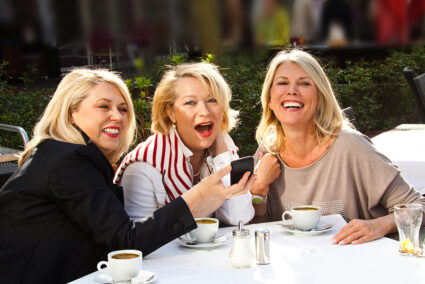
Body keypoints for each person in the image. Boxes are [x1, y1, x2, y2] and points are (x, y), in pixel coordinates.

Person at [0, 68, 255, 283]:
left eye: (123, 109)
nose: (117, 116)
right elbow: (126, 243)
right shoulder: (68, 161)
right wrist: (198, 195)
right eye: (103, 106)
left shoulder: (64, 157)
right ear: (71, 113)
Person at [251, 49, 425, 245]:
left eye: (305, 83)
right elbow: (257, 229)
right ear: (270, 100)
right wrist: (258, 189)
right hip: (299, 270)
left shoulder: (350, 146)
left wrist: (380, 225)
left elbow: (418, 206)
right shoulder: (266, 152)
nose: (292, 90)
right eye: (282, 83)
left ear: (319, 97)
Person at [114, 62, 255, 225]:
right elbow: (139, 240)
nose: (204, 111)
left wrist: (222, 156)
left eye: (212, 100)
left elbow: (239, 218)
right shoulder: (143, 167)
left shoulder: (223, 148)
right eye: (190, 103)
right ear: (171, 112)